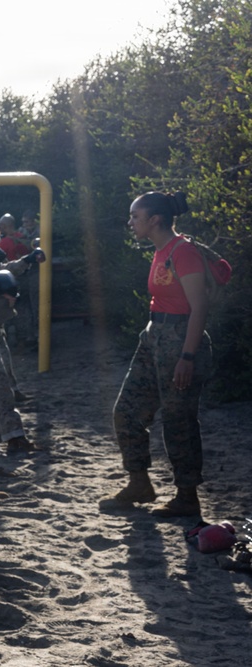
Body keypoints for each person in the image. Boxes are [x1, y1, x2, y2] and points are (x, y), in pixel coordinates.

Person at [102, 191, 224, 518]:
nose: (130, 222)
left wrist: (187, 355)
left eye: (134, 216)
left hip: (180, 339)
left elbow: (199, 306)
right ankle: (139, 483)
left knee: (178, 420)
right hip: (154, 336)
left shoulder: (182, 252)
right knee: (126, 411)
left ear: (154, 220)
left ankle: (187, 496)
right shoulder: (161, 250)